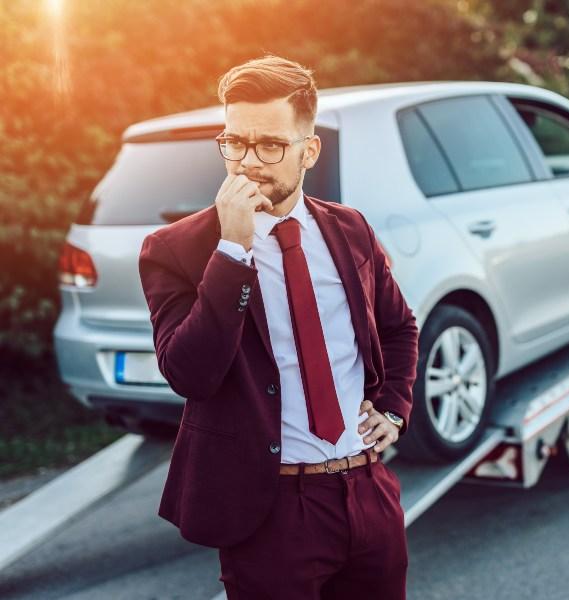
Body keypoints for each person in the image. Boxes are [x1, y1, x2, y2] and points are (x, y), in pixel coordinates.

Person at [138, 54, 419, 599]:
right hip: (269, 512)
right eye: (235, 142)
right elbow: (189, 373)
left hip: (367, 491)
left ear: (308, 150)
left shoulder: (350, 230)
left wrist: (394, 409)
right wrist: (233, 250)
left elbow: (399, 326)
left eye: (270, 145)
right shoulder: (177, 251)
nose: (248, 162)